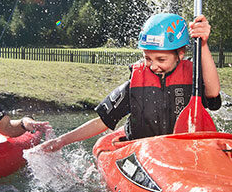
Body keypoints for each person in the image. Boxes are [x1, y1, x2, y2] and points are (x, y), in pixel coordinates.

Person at [37, 13, 222, 152]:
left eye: (161, 59)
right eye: (148, 58)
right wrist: (60, 141)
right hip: (144, 153)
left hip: (182, 152)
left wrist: (203, 44)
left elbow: (213, 92)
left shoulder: (192, 76)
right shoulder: (135, 83)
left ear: (180, 54)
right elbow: (103, 120)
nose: (153, 66)